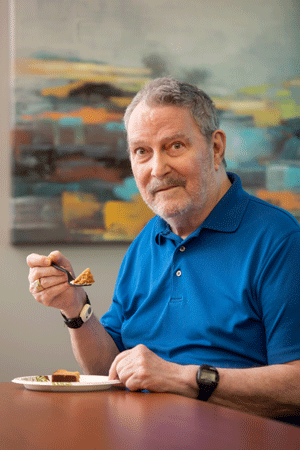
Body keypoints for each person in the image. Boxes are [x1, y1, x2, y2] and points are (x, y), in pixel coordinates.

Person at [27, 77, 300, 424]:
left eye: (174, 146)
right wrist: (74, 306)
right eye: (142, 151)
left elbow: (295, 388)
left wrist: (182, 378)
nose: (157, 168)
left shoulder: (279, 240)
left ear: (216, 148)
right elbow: (109, 367)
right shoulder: (145, 243)